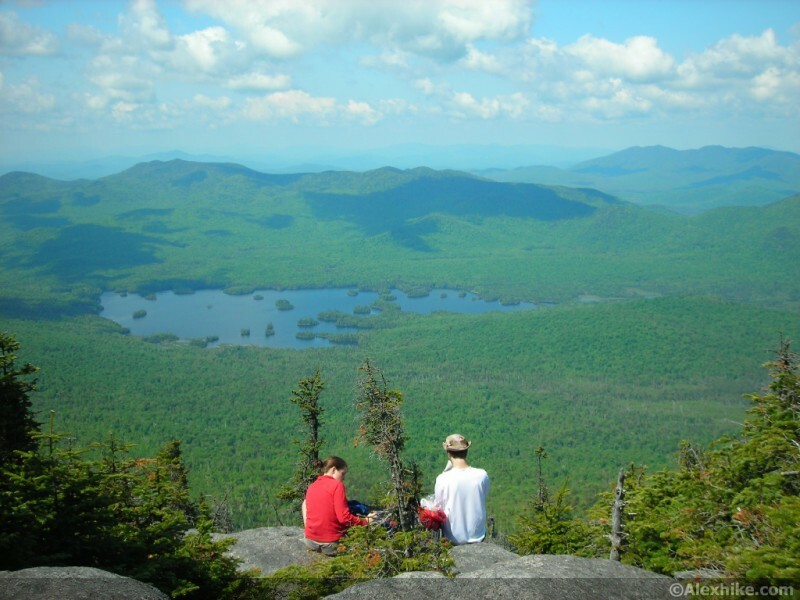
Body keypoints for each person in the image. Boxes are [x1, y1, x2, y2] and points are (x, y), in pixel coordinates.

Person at [302, 456, 372, 556]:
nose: (343, 478)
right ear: (334, 470)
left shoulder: (312, 486)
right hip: (331, 545)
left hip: (310, 541)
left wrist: (308, 528)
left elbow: (304, 504)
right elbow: (344, 518)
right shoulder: (337, 485)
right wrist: (366, 521)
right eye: (342, 474)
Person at [434, 433, 490, 545]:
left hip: (453, 538)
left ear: (448, 453)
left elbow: (438, 507)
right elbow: (484, 495)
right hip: (478, 536)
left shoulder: (443, 479)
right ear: (466, 451)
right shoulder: (482, 475)